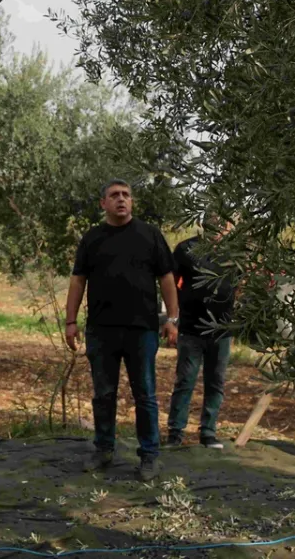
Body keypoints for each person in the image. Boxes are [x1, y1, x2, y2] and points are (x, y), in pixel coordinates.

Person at [65, 179, 179, 482]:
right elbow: (78, 280)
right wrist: (70, 321)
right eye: (114, 195)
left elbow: (167, 278)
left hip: (141, 329)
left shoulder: (150, 235)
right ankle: (103, 449)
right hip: (101, 331)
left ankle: (150, 455)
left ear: (132, 202)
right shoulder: (92, 239)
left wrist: (173, 319)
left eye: (126, 195)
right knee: (103, 394)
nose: (121, 200)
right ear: (103, 203)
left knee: (145, 394)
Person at [166, 215, 238, 449]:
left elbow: (244, 285)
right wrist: (172, 319)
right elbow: (171, 284)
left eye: (224, 221)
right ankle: (175, 432)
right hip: (191, 329)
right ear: (204, 222)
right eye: (215, 220)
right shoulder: (186, 249)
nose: (219, 225)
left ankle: (208, 432)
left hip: (222, 331)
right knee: (185, 381)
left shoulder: (234, 254)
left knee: (215, 382)